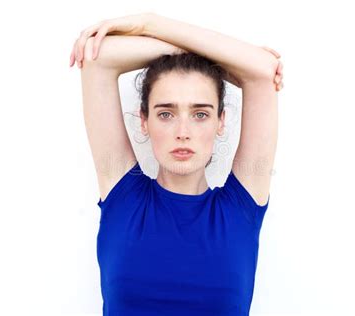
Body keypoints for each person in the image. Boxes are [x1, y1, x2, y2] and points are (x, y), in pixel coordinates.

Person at [70, 12, 284, 316]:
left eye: (200, 114)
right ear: (143, 121)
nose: (183, 132)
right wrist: (207, 60)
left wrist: (149, 23)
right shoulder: (125, 199)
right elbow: (97, 57)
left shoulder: (240, 209)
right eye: (166, 114)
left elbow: (263, 68)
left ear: (221, 122)